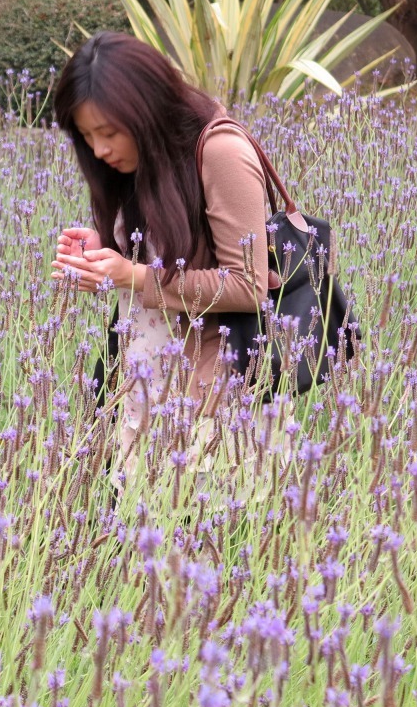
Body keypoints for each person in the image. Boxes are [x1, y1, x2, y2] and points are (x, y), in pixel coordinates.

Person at [50, 32, 277, 476]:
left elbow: (250, 285)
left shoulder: (220, 152)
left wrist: (133, 274)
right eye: (87, 136)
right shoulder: (140, 163)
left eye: (110, 132)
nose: (99, 150)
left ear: (147, 110)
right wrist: (107, 254)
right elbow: (165, 252)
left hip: (206, 406)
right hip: (136, 388)